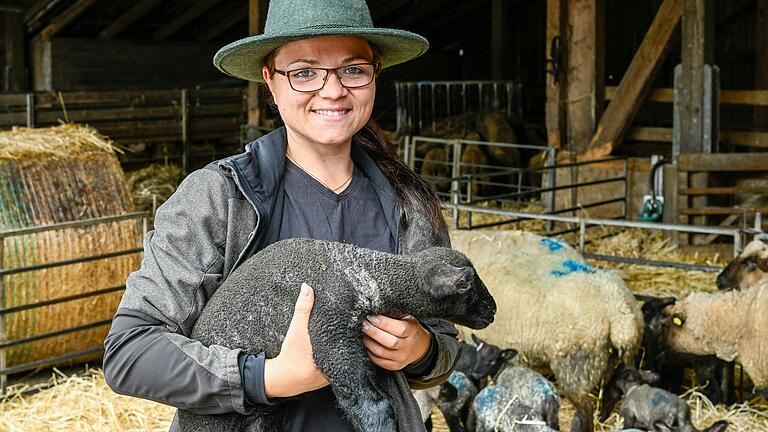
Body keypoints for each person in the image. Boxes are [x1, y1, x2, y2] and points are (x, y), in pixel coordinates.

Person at [102, 0, 460, 430]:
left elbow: (443, 344)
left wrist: (420, 351)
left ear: (375, 74)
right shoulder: (221, 199)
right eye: (304, 72)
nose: (332, 90)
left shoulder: (409, 204)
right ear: (269, 82)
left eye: (353, 69)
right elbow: (130, 352)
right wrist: (267, 378)